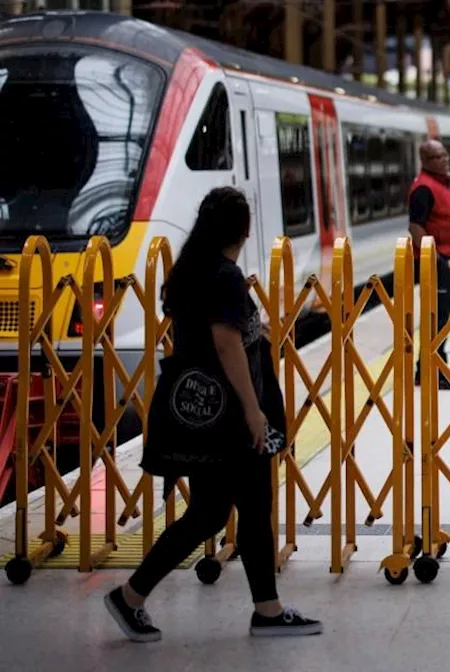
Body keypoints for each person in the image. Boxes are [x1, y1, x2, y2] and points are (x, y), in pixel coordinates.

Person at [104, 187, 322, 642]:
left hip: (196, 409)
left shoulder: (189, 269)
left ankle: (131, 596)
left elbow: (210, 334)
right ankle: (267, 611)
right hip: (229, 415)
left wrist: (248, 327)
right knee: (252, 505)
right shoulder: (224, 275)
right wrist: (254, 412)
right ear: (242, 230)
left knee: (208, 513)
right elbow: (225, 344)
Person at [409, 138, 450, 390]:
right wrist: (437, 261)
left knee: (441, 319)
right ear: (425, 161)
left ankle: (434, 369)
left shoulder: (438, 185)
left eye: (445, 156)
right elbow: (416, 227)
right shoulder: (424, 188)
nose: (444, 161)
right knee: (437, 319)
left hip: (449, 262)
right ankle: (430, 371)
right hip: (440, 265)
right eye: (437, 157)